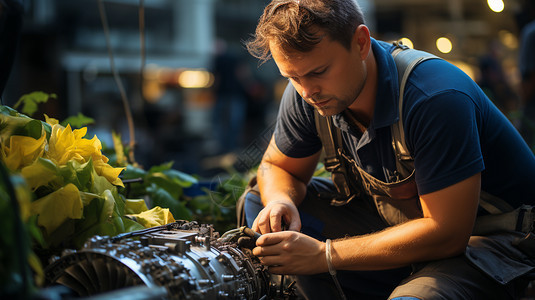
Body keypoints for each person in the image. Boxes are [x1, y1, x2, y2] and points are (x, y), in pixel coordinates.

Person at [240, 0, 535, 299]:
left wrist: (325, 255)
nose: (307, 91)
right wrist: (280, 201)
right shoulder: (309, 92)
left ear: (361, 43)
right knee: (260, 203)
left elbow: (448, 234)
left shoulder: (434, 98)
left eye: (319, 71)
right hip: (405, 231)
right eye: (292, 77)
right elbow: (277, 166)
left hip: (490, 243)